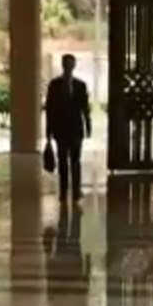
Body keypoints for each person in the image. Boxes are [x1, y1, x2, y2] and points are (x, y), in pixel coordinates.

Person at [46, 54, 92, 203]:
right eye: (66, 64)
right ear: (63, 65)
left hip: (75, 128)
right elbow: (50, 109)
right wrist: (48, 132)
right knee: (62, 161)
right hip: (60, 129)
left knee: (75, 161)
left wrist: (88, 125)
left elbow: (85, 108)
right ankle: (63, 191)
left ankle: (76, 190)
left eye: (71, 64)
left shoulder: (80, 85)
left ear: (74, 66)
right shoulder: (54, 85)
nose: (69, 67)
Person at [43, 203, 91, 306]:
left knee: (72, 237)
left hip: (68, 267)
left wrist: (88, 265)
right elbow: (50, 287)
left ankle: (70, 211)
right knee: (68, 237)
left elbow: (85, 287)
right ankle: (66, 209)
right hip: (67, 267)